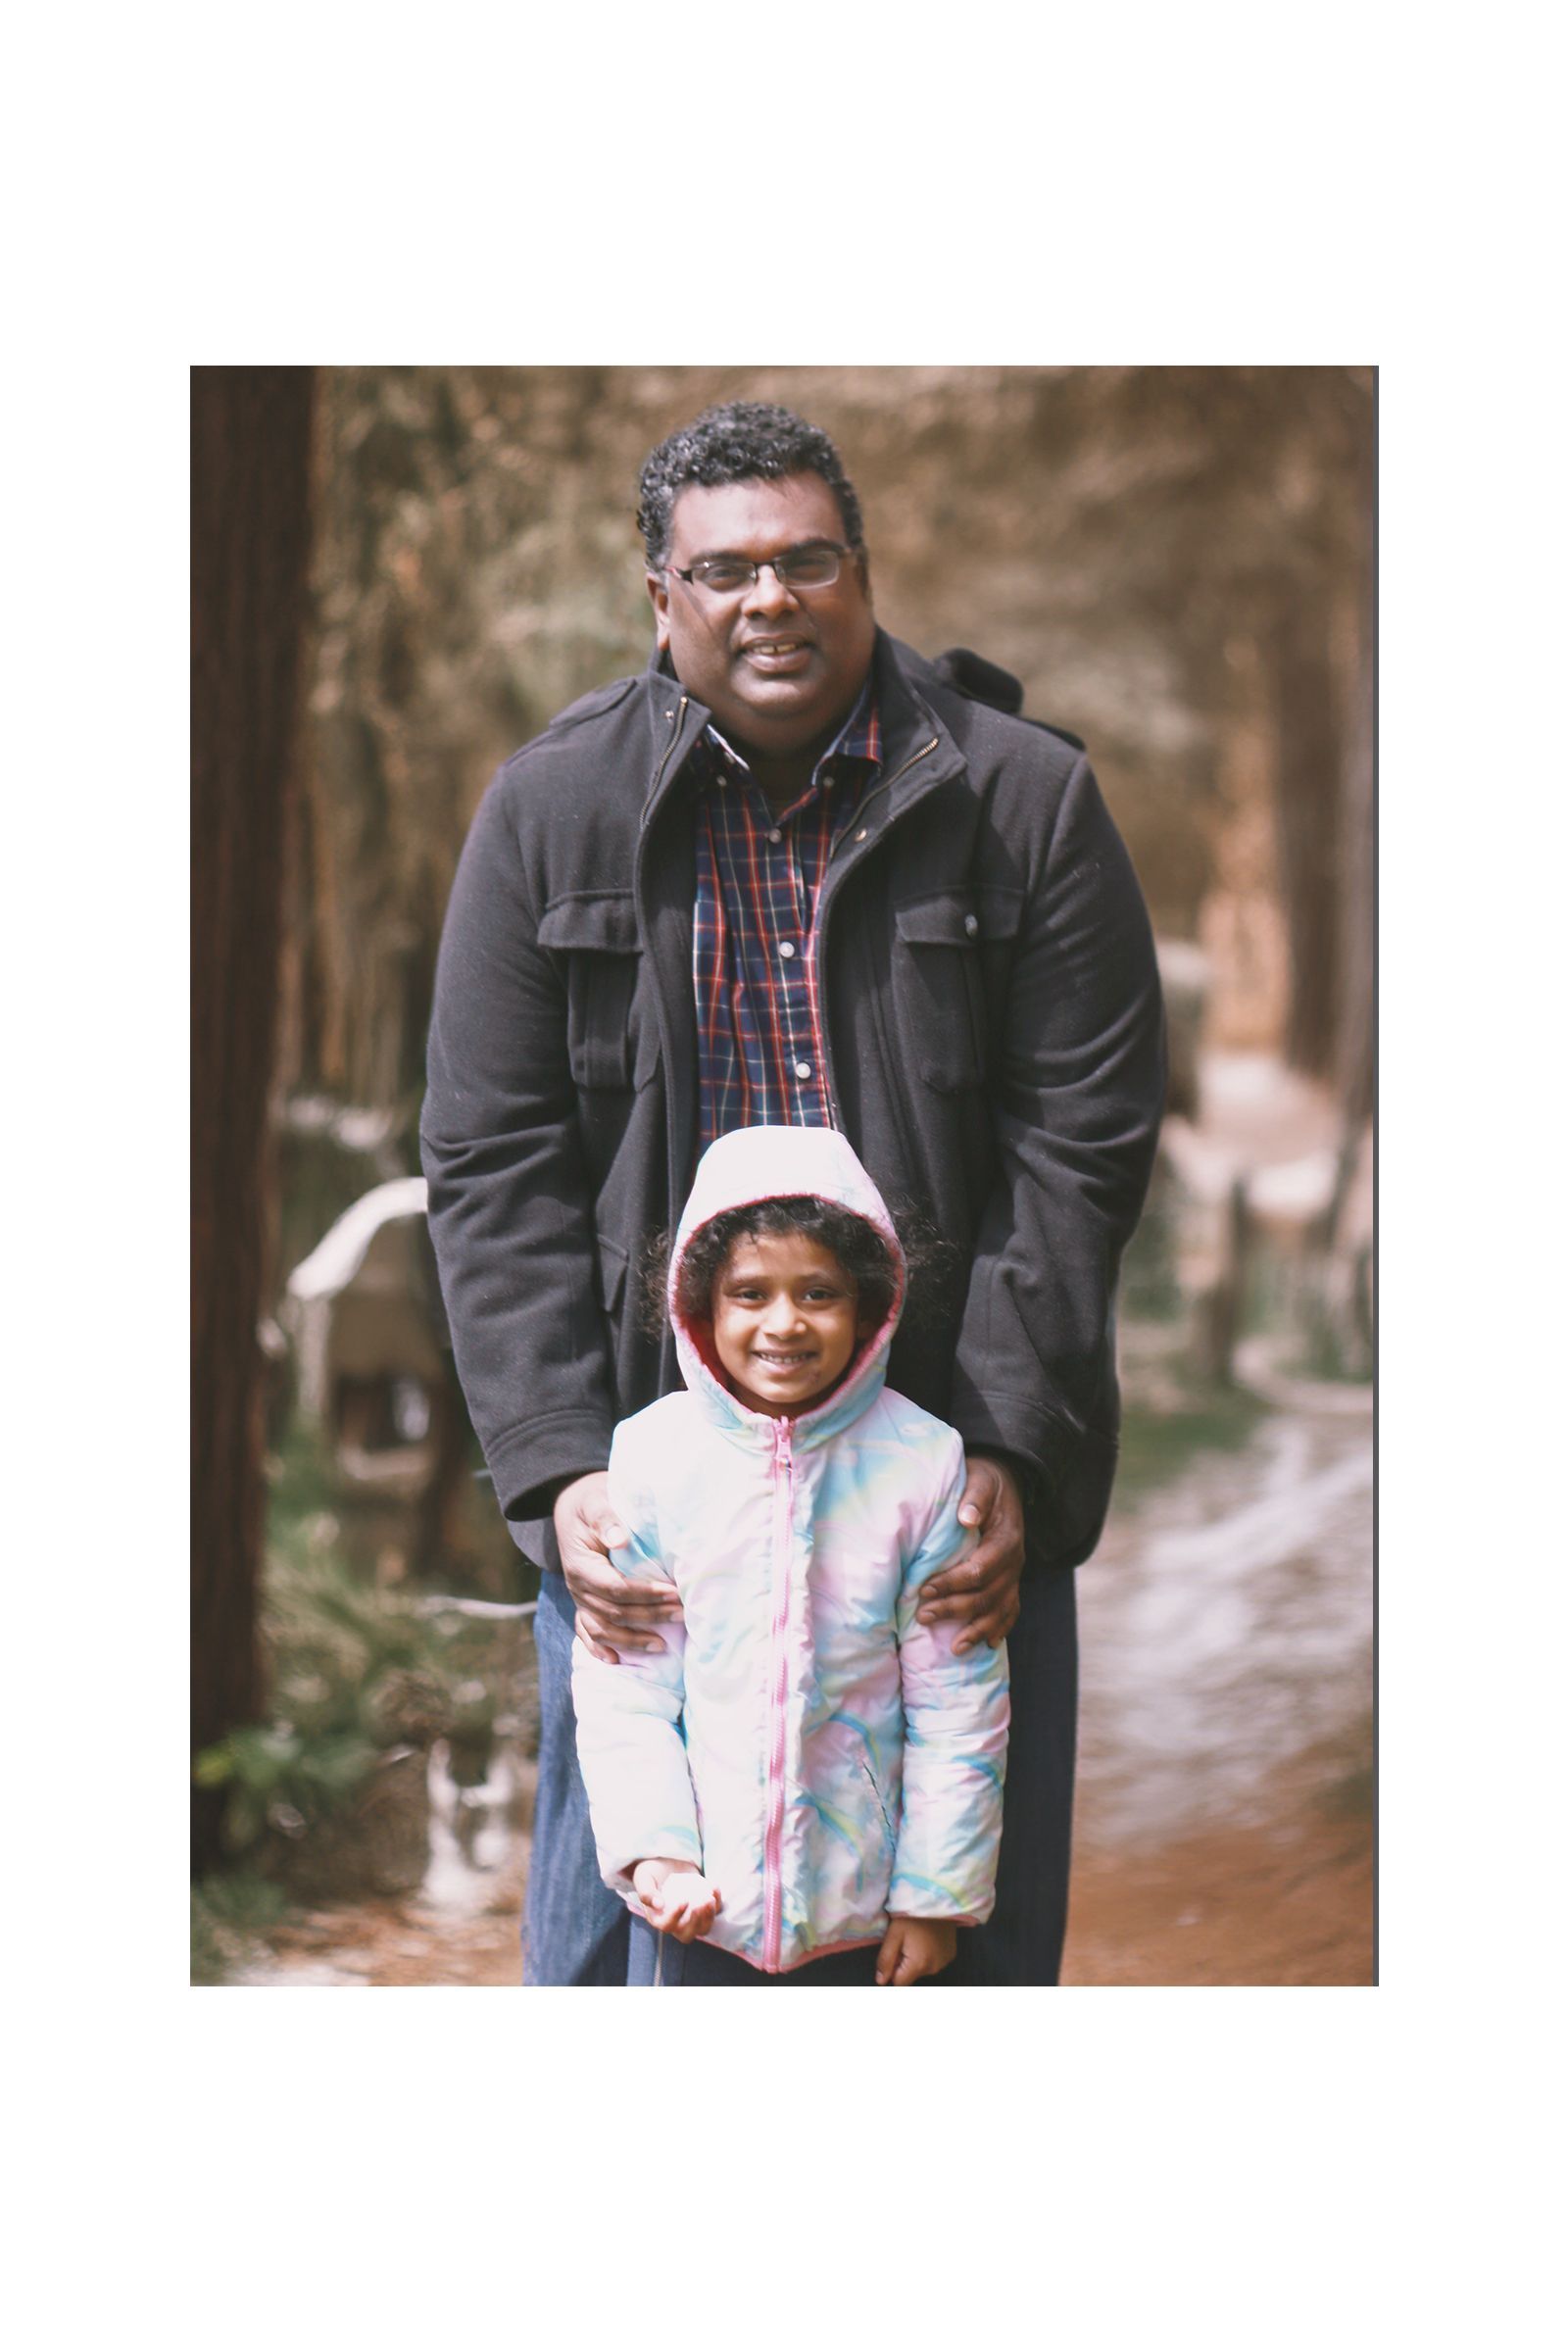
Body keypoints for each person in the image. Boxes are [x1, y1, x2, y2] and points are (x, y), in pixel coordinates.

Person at [420, 398, 1165, 1985]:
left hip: (949, 1488)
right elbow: (491, 1165)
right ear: (661, 600)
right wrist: (562, 1476)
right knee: (634, 1949)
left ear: (863, 571)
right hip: (656, 1503)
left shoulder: (1022, 805)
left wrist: (1012, 1449)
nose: (772, 599)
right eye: (728, 570)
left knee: (953, 1944)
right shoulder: (549, 816)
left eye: (808, 560)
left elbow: (1081, 1140)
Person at [571, 1123, 1008, 1986]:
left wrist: (935, 1894)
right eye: (750, 1293)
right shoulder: (654, 1458)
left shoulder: (924, 1465)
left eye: (818, 1293)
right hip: (702, 1908)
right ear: (700, 1304)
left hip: (866, 1909)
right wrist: (656, 1858)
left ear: (870, 1303)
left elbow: (960, 1698)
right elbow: (627, 1688)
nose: (784, 1323)